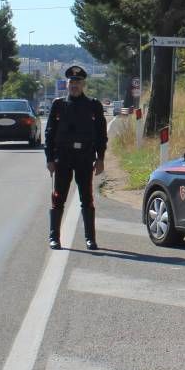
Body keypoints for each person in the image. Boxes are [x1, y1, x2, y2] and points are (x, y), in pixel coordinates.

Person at [44, 65, 107, 250]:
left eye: (77, 82)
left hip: (84, 158)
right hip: (63, 158)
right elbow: (49, 133)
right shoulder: (59, 104)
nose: (74, 85)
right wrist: (49, 159)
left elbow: (101, 134)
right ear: (67, 84)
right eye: (71, 82)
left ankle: (90, 238)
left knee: (86, 198)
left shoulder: (93, 105)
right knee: (58, 198)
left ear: (83, 84)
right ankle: (54, 237)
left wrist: (100, 158)